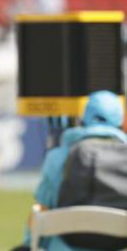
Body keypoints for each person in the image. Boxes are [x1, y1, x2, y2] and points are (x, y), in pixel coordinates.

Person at [17, 90, 127, 251]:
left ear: (84, 118)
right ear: (121, 121)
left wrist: (28, 245)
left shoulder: (57, 157)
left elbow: (43, 206)